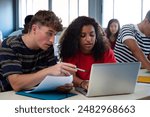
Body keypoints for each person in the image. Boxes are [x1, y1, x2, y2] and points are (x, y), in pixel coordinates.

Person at [0, 10, 77, 92]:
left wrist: (61, 83)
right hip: (7, 94)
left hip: (33, 93)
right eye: (49, 33)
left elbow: (51, 78)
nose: (52, 40)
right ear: (34, 29)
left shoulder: (47, 47)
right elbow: (16, 84)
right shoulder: (10, 45)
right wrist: (48, 71)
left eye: (54, 35)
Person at [59, 16, 116, 90]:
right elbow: (70, 76)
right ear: (75, 38)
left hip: (103, 88)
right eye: (83, 36)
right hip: (80, 91)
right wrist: (82, 83)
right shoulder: (70, 52)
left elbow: (114, 72)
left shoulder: (106, 51)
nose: (89, 39)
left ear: (96, 36)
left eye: (92, 35)